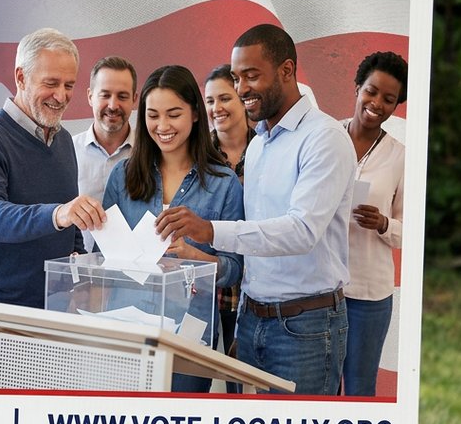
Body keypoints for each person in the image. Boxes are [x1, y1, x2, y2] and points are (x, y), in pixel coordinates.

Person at [154, 24, 356, 396]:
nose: (242, 87)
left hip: (306, 328)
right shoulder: (260, 142)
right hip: (252, 320)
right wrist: (248, 314)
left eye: (251, 75)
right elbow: (257, 241)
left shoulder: (324, 139)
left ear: (287, 70)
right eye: (236, 77)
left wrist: (211, 230)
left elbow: (301, 232)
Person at [103, 65, 243, 393]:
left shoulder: (224, 185)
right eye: (153, 115)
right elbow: (103, 260)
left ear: (195, 114)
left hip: (190, 336)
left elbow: (236, 270)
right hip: (128, 327)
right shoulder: (122, 177)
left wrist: (196, 257)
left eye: (174, 114)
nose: (162, 126)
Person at [0, 27, 107, 308]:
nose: (61, 96)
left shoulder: (63, 140)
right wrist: (59, 214)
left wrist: (77, 253)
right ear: (21, 77)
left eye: (69, 85)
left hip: (54, 304)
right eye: (51, 83)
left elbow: (68, 217)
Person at [342, 51, 407, 397]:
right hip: (320, 290)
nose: (377, 103)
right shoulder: (326, 139)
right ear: (356, 88)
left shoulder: (400, 156)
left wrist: (383, 223)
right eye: (371, 91)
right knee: (318, 390)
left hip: (369, 294)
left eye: (389, 99)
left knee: (358, 389)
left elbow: (408, 231)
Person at [203, 64, 256, 367]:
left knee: (246, 378)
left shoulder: (265, 148)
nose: (216, 108)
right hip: (211, 285)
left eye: (224, 98)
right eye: (209, 101)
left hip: (255, 285)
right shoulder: (198, 154)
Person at [73, 56, 139, 250]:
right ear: (89, 96)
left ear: (134, 99)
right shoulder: (67, 152)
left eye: (122, 96)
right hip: (78, 270)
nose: (113, 105)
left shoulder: (151, 155)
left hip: (134, 273)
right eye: (105, 95)